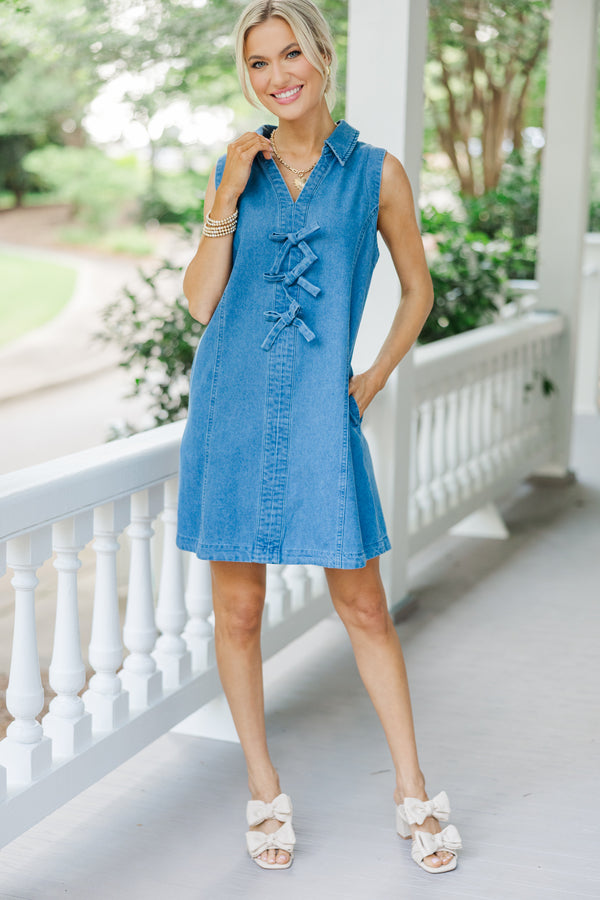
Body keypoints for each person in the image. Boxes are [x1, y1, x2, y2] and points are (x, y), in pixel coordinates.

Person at [176, 0, 462, 876]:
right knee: (239, 612)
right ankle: (263, 788)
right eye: (259, 63)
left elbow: (417, 288)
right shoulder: (237, 165)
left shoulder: (377, 173)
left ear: (323, 57)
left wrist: (370, 379)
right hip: (231, 407)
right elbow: (200, 301)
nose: (277, 76)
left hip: (319, 414)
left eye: (289, 54)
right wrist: (226, 198)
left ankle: (413, 789)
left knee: (365, 607)